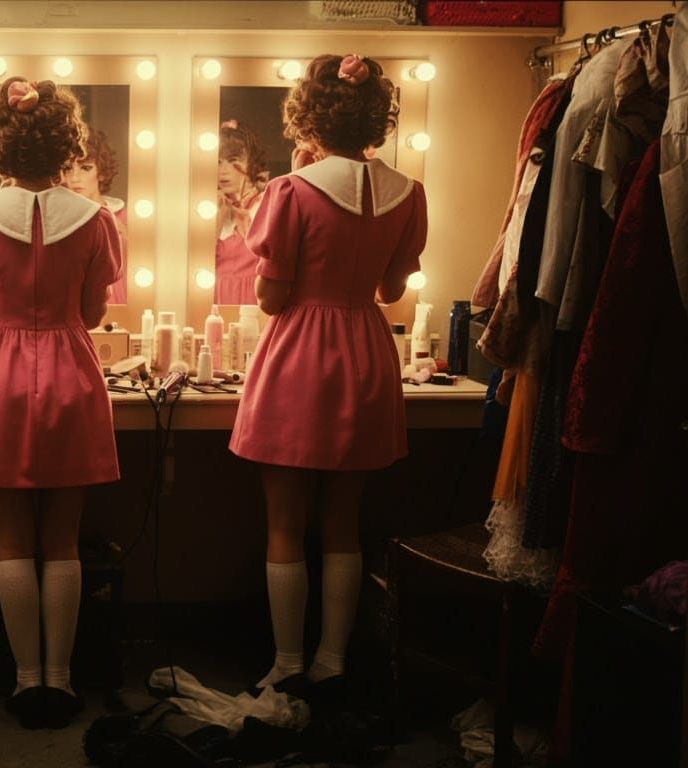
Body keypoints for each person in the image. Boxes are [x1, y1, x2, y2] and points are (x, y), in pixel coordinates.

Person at [228, 54, 427, 708]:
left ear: (308, 119)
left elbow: (271, 298)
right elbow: (390, 288)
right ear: (378, 119)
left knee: (285, 520)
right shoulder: (408, 192)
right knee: (345, 520)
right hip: (366, 350)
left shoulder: (291, 192)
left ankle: (286, 664)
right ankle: (333, 662)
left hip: (299, 354)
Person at [0, 77, 121, 729]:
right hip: (72, 371)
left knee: (11, 539)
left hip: (0, 375)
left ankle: (24, 683)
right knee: (64, 539)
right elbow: (96, 312)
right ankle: (63, 681)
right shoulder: (96, 219)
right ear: (64, 148)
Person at [62, 130, 128, 305]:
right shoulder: (56, 221)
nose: (75, 178)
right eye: (68, 168)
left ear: (102, 172)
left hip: (121, 307)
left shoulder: (126, 219)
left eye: (85, 168)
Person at [214, 119, 269, 305]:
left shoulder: (264, 206)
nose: (223, 171)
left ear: (251, 163)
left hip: (254, 303)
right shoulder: (207, 210)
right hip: (212, 303)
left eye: (233, 161)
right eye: (218, 162)